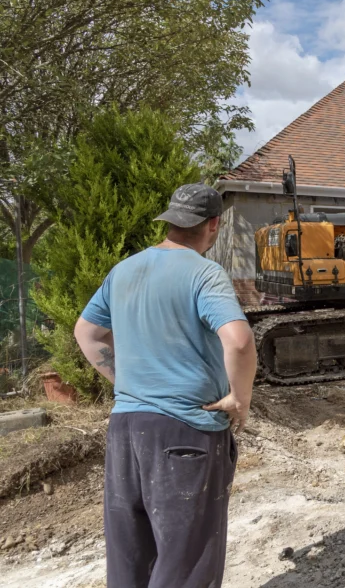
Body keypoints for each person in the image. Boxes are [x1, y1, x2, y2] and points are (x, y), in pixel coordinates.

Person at [73, 183, 257, 588]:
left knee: (130, 555)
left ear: (171, 220)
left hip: (126, 430)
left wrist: (129, 383)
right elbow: (240, 342)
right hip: (186, 434)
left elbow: (86, 333)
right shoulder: (204, 273)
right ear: (214, 225)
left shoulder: (124, 270)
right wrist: (239, 399)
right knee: (187, 562)